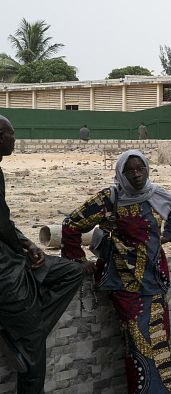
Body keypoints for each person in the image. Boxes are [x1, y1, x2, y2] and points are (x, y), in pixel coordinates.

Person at [62, 150, 171, 392]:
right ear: (120, 173)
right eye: (130, 171)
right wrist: (77, 258)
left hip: (155, 281)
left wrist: (167, 235)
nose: (137, 175)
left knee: (160, 344)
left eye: (141, 169)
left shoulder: (155, 194)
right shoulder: (110, 198)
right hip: (125, 284)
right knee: (138, 345)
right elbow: (71, 224)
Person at [0, 115, 85, 394]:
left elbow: (5, 223)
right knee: (34, 351)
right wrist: (24, 246)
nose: (14, 139)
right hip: (7, 273)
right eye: (11, 134)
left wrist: (27, 244)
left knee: (72, 271)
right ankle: (27, 335)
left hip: (14, 259)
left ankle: (25, 330)